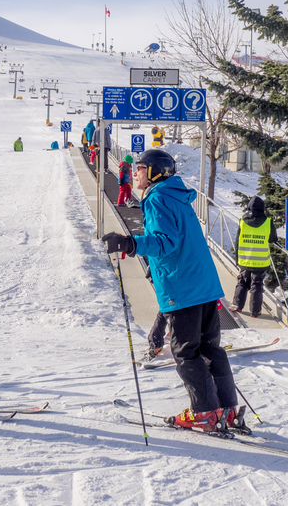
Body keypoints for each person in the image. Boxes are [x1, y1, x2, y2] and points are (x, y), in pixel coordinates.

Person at [101, 149, 245, 434]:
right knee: (209, 349)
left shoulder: (157, 198)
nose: (136, 172)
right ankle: (226, 409)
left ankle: (204, 412)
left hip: (183, 287)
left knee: (185, 351)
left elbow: (165, 242)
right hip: (204, 285)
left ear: (155, 171)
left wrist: (130, 244)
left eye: (140, 168)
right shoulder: (177, 196)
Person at [231, 196, 279, 318]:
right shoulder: (268, 222)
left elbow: (237, 241)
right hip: (260, 261)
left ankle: (237, 305)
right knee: (257, 284)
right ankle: (255, 311)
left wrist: (237, 260)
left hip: (245, 259)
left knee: (242, 281)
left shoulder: (242, 221)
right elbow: (273, 239)